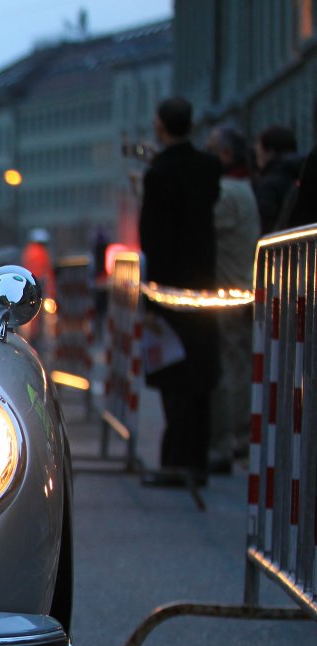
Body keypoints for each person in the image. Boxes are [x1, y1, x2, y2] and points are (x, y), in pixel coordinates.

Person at [138, 97, 221, 488]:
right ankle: (197, 459)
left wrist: (150, 296)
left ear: (160, 126)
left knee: (173, 374)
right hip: (205, 284)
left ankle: (175, 461)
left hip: (170, 290)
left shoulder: (159, 174)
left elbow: (153, 239)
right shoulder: (209, 167)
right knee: (200, 374)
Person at [206, 124, 259, 471]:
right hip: (239, 289)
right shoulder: (244, 188)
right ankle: (238, 437)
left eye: (211, 150)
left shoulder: (227, 192)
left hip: (228, 293)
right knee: (238, 365)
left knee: (229, 370)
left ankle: (231, 439)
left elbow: (202, 224)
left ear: (225, 155)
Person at [253, 125, 301, 234]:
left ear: (270, 152)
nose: (257, 158)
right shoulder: (306, 173)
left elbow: (266, 221)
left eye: (259, 152)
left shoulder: (268, 184)